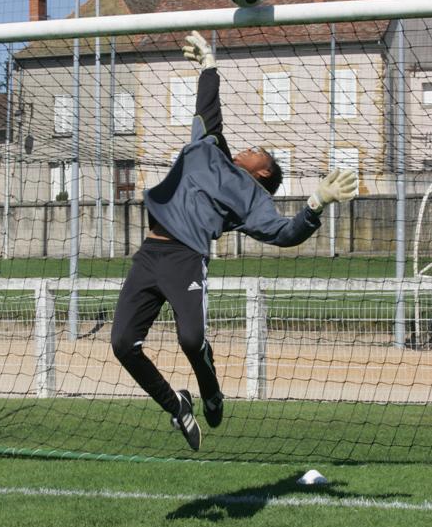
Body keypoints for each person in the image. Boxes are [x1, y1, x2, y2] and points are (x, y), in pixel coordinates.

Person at [111, 31, 357, 451]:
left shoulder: (253, 198)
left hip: (186, 258)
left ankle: (211, 392)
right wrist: (209, 65)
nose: (249, 147)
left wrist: (316, 203)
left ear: (264, 173)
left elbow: (284, 233)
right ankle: (177, 406)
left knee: (190, 340)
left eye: (259, 151)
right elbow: (208, 107)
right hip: (150, 252)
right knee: (122, 345)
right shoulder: (206, 147)